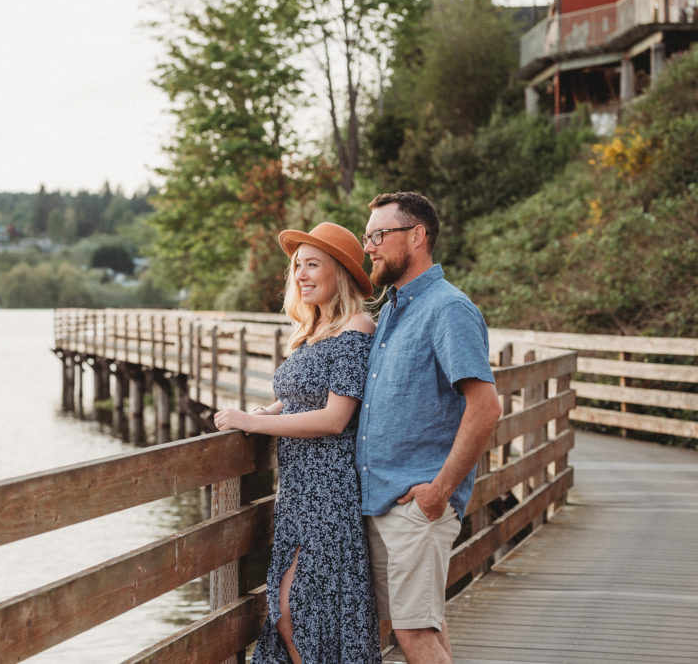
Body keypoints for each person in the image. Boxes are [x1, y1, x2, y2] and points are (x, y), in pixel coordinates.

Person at [213, 222, 381, 663]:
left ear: (340, 272)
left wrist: (254, 420)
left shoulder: (355, 330)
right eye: (297, 266)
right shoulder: (315, 330)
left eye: (313, 265)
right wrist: (266, 413)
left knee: (297, 611)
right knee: (294, 611)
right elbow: (294, 400)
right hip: (298, 493)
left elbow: (334, 418)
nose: (301, 275)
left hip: (329, 492)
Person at [355, 192, 502, 664]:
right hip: (382, 500)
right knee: (421, 629)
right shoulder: (394, 308)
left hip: (417, 507)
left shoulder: (448, 309)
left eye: (379, 235)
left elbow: (486, 407)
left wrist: (440, 491)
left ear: (417, 236)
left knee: (413, 634)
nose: (370, 247)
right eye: (367, 237)